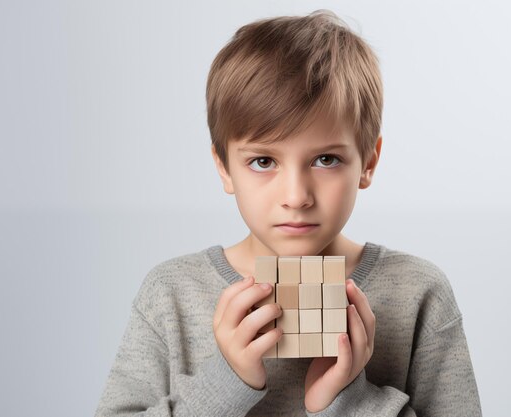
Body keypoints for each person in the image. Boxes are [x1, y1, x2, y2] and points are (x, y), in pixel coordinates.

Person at [95, 9, 482, 417]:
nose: (296, 197)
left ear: (368, 161)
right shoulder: (171, 294)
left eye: (326, 159)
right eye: (263, 162)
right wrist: (227, 382)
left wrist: (349, 401)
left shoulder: (418, 292)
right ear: (224, 167)